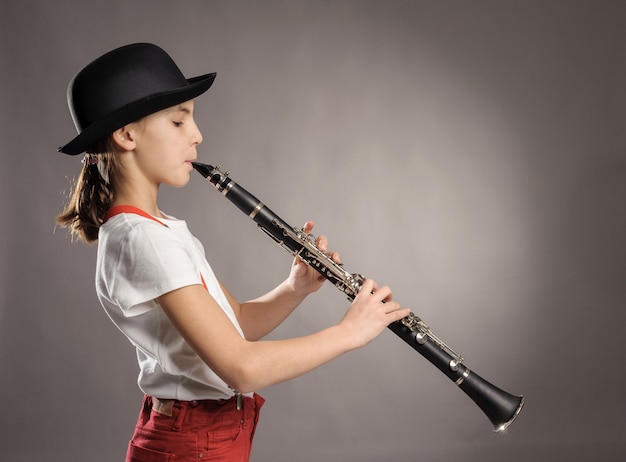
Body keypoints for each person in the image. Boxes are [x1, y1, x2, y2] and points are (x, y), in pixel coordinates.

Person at [56, 43, 409, 462]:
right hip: (193, 445)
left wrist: (294, 288)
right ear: (127, 134)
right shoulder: (141, 239)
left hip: (207, 434)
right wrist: (349, 333)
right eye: (178, 120)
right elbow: (241, 367)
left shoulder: (157, 229)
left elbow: (235, 324)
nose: (197, 135)